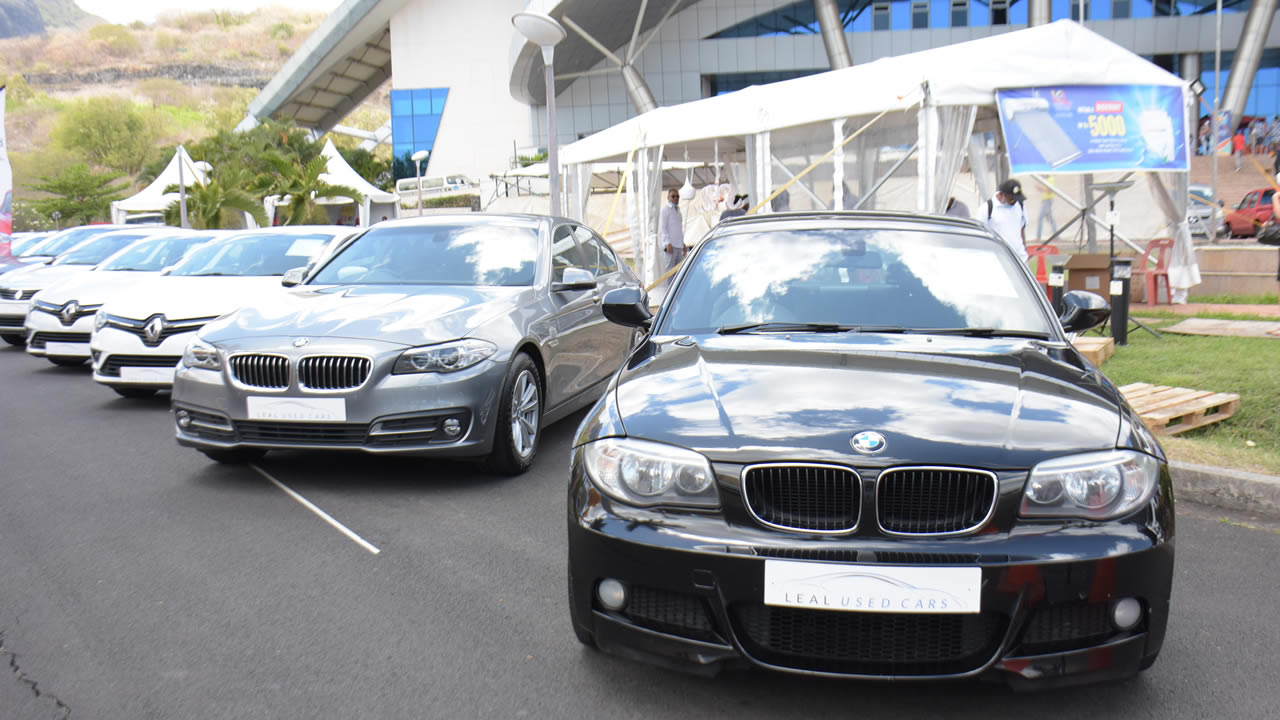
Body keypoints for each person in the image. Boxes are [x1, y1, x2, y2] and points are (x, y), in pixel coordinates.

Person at [984, 179, 1028, 260]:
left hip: (1020, 258)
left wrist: (1024, 250)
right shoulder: (987, 208)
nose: (1015, 201)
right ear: (1002, 194)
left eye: (1016, 199)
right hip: (997, 259)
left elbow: (1022, 230)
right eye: (1011, 198)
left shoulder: (1020, 206)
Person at [659, 188, 685, 280]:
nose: (675, 198)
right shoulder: (665, 210)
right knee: (670, 271)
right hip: (670, 246)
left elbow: (678, 228)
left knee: (679, 271)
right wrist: (667, 242)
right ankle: (670, 292)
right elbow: (662, 227)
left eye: (677, 196)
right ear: (668, 198)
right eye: (673, 196)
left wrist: (683, 244)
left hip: (679, 245)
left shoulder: (678, 211)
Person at [1035, 175, 1056, 240]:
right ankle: (1056, 235)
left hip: (1047, 200)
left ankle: (1038, 236)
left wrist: (1040, 188)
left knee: (1040, 218)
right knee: (1050, 218)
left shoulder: (1051, 179)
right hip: (1045, 200)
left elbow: (1049, 190)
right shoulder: (1047, 179)